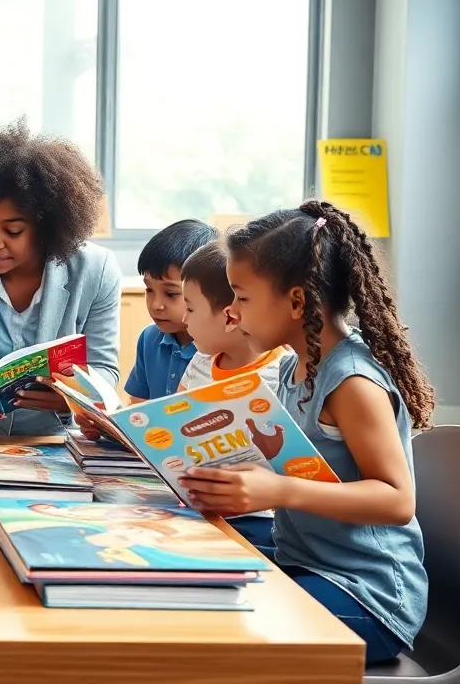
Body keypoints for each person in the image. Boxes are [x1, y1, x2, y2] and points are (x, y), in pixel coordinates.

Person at [179, 201, 432, 665]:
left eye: (242, 297)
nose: (233, 312)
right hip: (307, 562)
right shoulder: (297, 367)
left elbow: (398, 501)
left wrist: (277, 489)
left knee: (213, 630)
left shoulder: (351, 382)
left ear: (296, 301)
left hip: (368, 597)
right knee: (187, 579)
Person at [0, 121, 122, 435]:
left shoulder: (96, 270)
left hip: (63, 438)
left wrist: (68, 399)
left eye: (13, 230)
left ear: (45, 227)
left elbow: (105, 372)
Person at [125, 219, 218, 402]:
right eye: (149, 290)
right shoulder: (149, 339)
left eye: (170, 293)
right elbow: (137, 406)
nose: (155, 305)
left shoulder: (217, 349)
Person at [177, 242, 287, 392]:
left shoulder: (282, 376)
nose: (184, 319)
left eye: (190, 309)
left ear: (230, 318)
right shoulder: (200, 362)